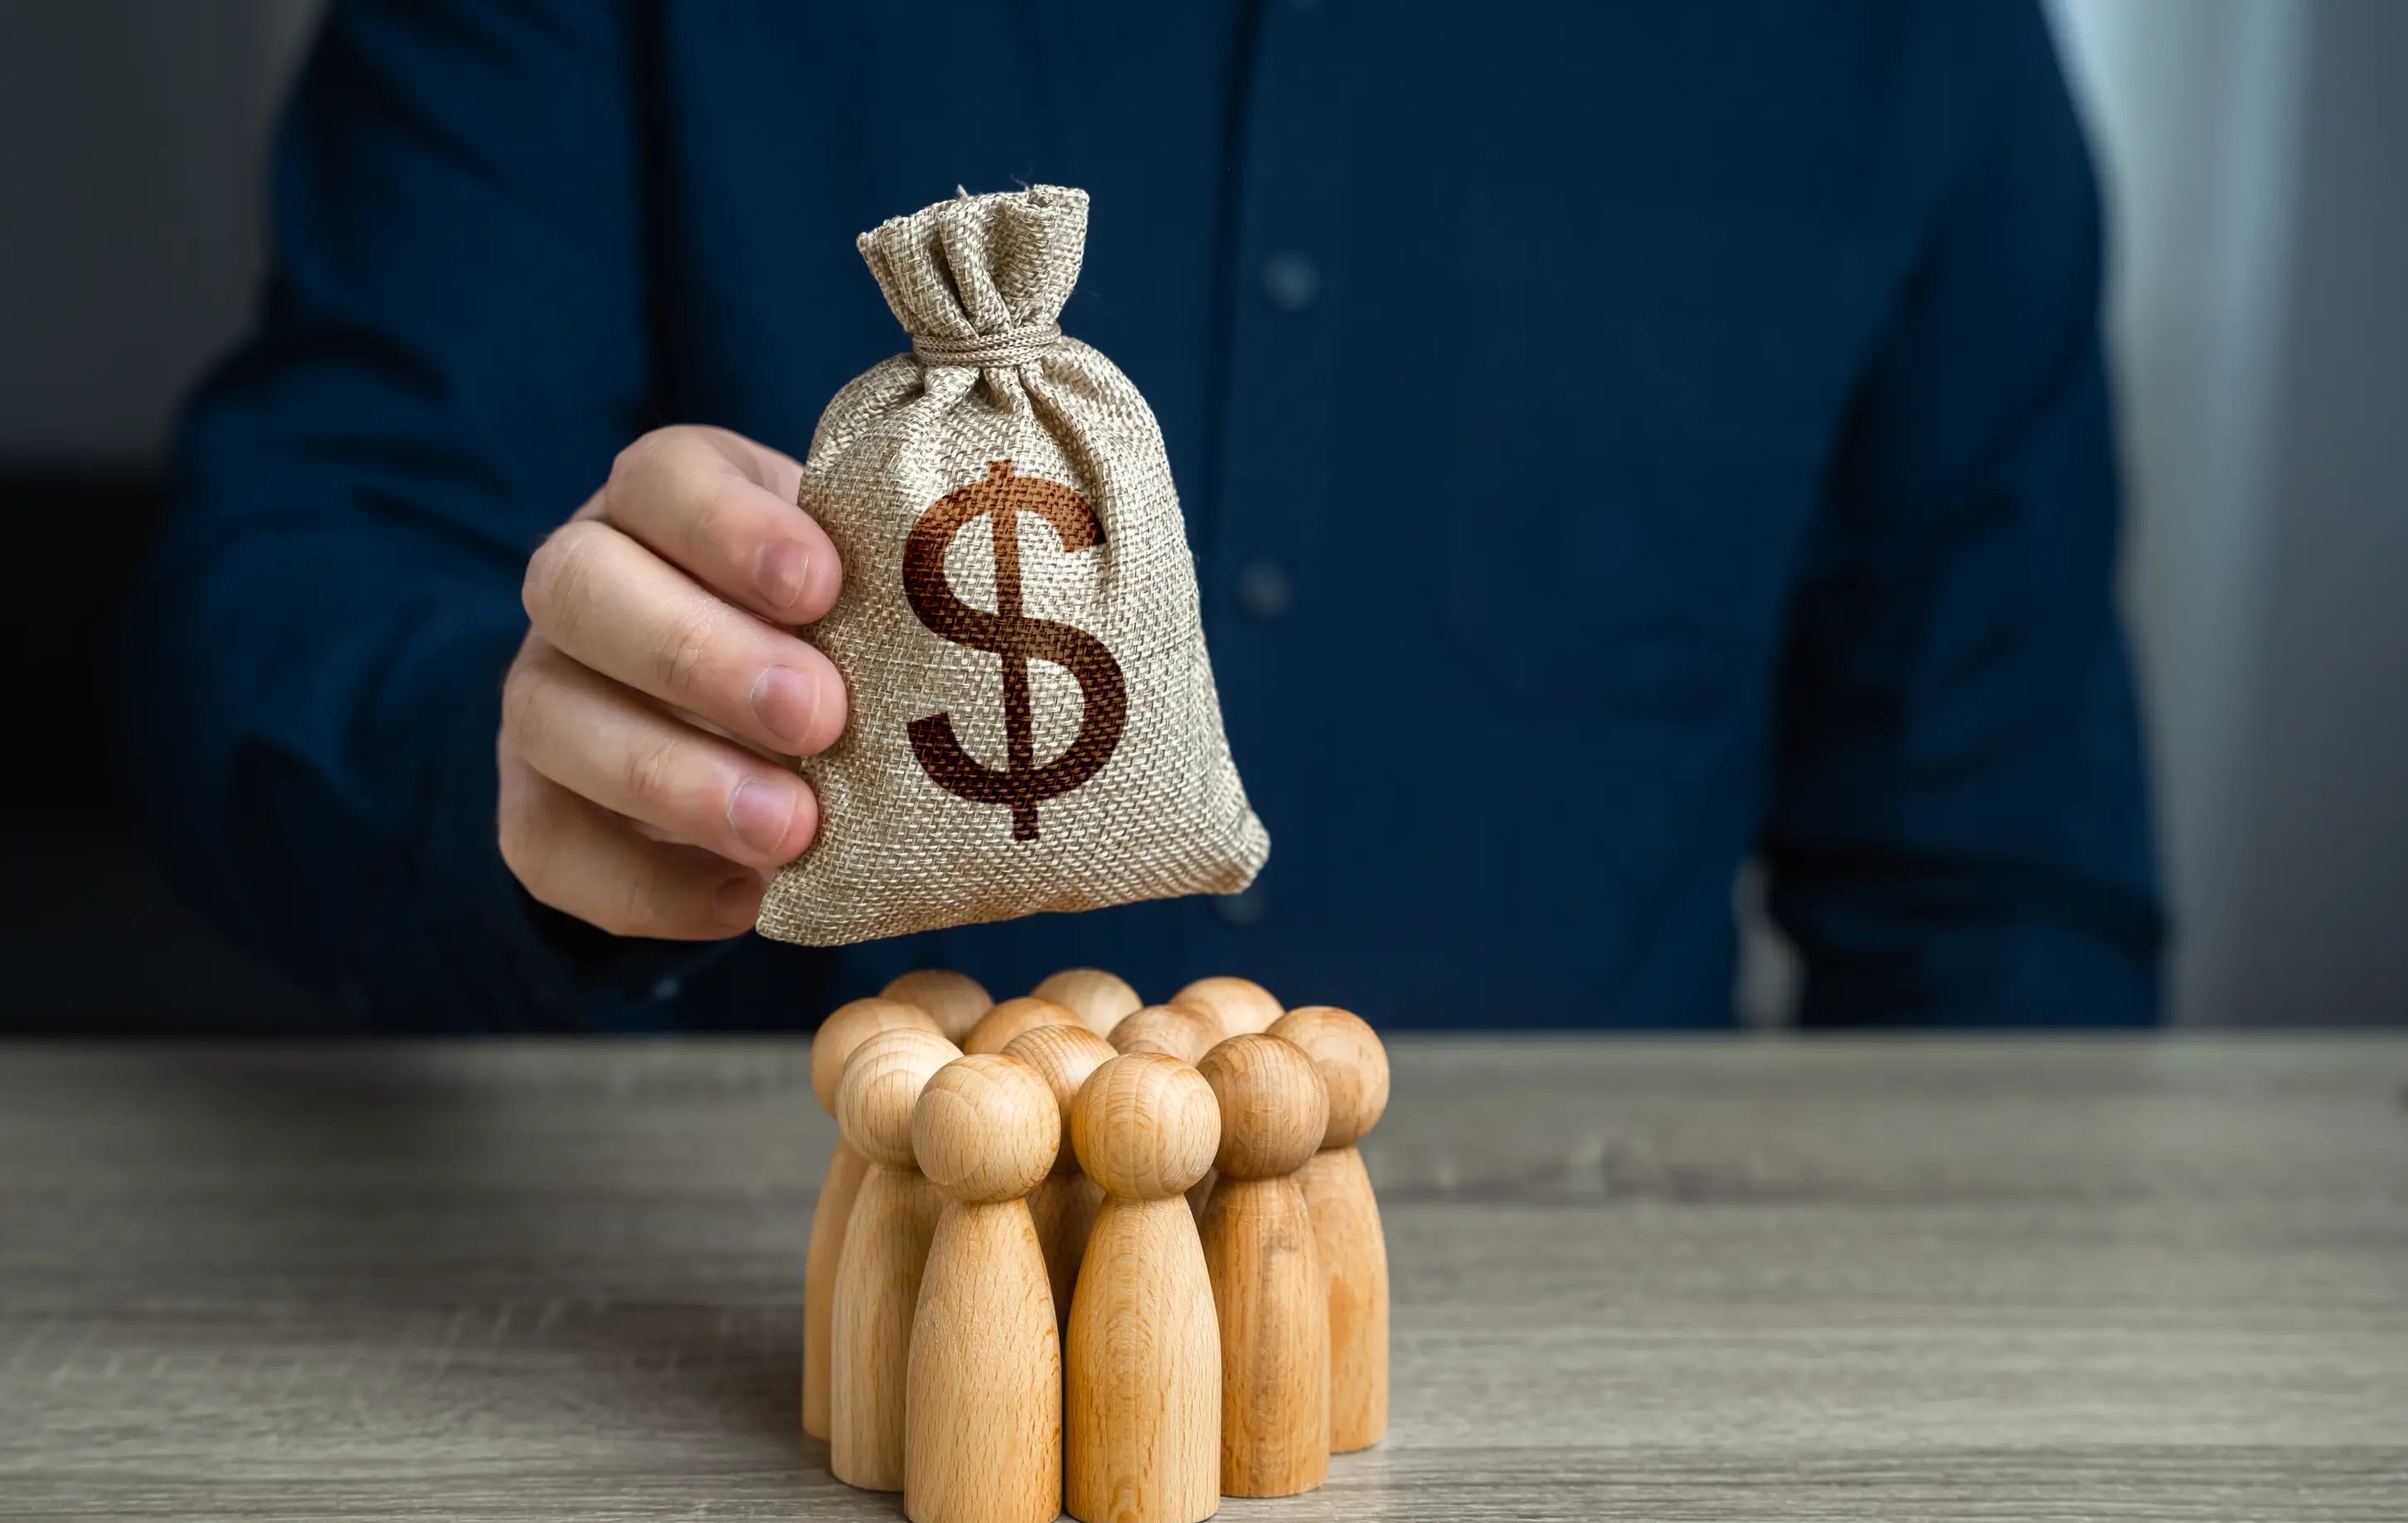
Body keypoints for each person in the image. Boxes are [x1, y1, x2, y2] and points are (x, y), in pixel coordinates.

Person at [125, 1, 2163, 1032]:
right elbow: (274, 586)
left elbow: (2003, 883)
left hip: (1594, 1379)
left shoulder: (1905, 39)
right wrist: (514, 759)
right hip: (767, 1339)